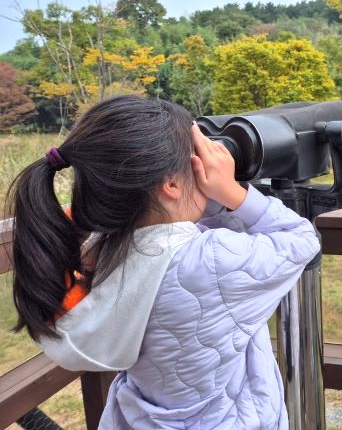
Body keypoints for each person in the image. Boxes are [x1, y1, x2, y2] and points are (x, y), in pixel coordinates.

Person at [8, 95, 320, 429]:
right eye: (195, 159)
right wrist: (231, 192)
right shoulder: (210, 261)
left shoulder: (106, 246)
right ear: (170, 184)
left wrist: (206, 193)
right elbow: (300, 240)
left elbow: (180, 232)